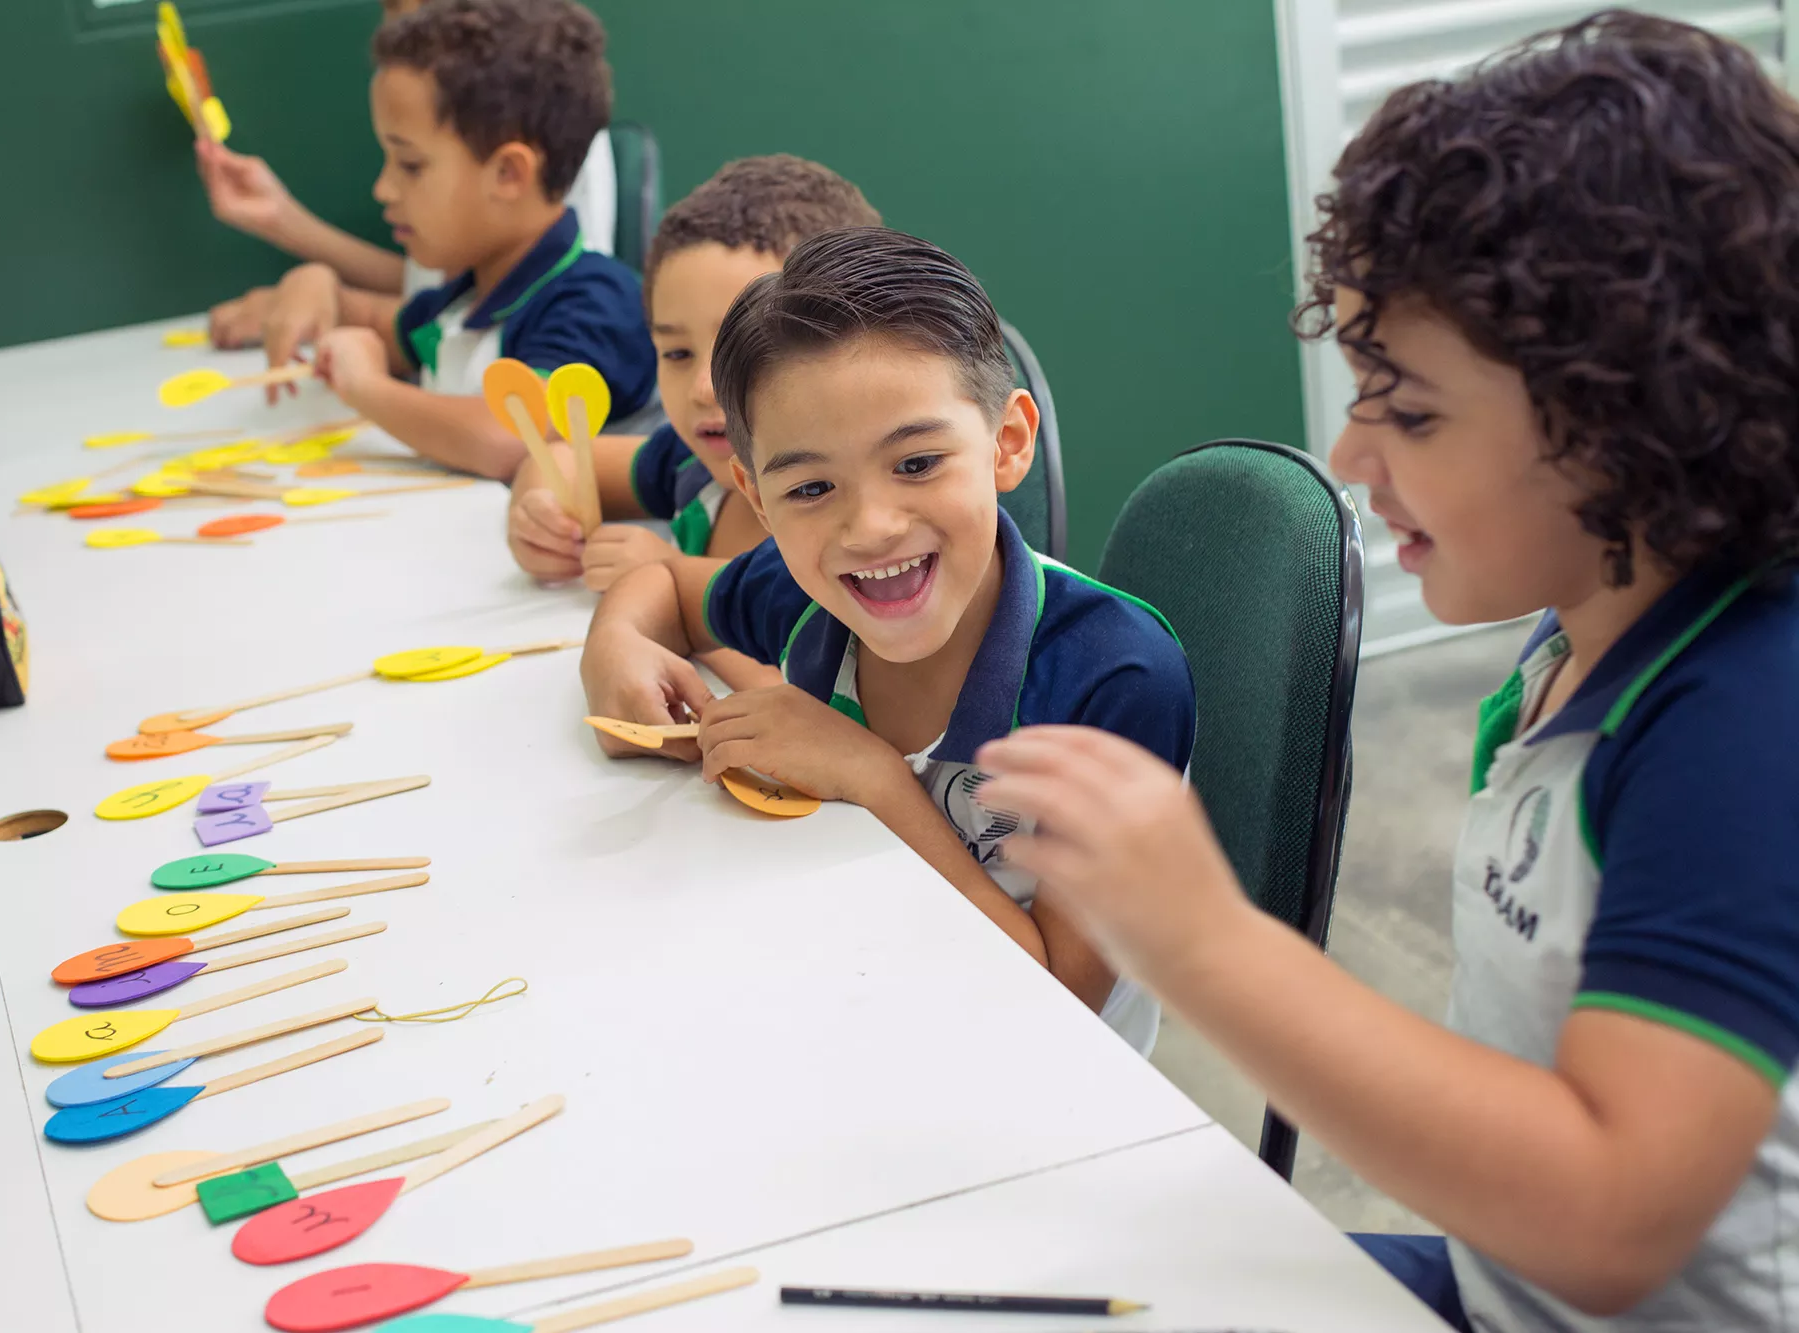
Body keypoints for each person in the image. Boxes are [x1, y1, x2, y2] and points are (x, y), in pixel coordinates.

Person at [975, 14, 1799, 1329]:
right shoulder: (1579, 625)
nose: (1354, 459)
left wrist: (1202, 940)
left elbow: (1609, 1217)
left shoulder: (1748, 721)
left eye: (1406, 409)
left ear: (1633, 411)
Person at [580, 228, 1194, 1051]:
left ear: (1007, 443)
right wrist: (616, 641)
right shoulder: (802, 595)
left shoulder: (1113, 677)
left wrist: (871, 775)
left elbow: (1058, 1000)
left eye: (916, 463)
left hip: (1033, 1085)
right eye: (811, 487)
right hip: (842, 1001)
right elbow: (664, 588)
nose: (869, 527)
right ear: (757, 502)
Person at [296, 0, 654, 478]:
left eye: (410, 165)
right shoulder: (465, 296)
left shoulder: (596, 304)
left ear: (508, 173)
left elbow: (508, 438)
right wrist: (315, 289)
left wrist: (367, 387)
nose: (383, 188)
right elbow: (377, 323)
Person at [507, 154, 880, 592]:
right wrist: (541, 509)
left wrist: (677, 586)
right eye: (679, 353)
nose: (705, 388)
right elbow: (558, 457)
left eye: (743, 349)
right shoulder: (693, 464)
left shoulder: (858, 531)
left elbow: (814, 658)